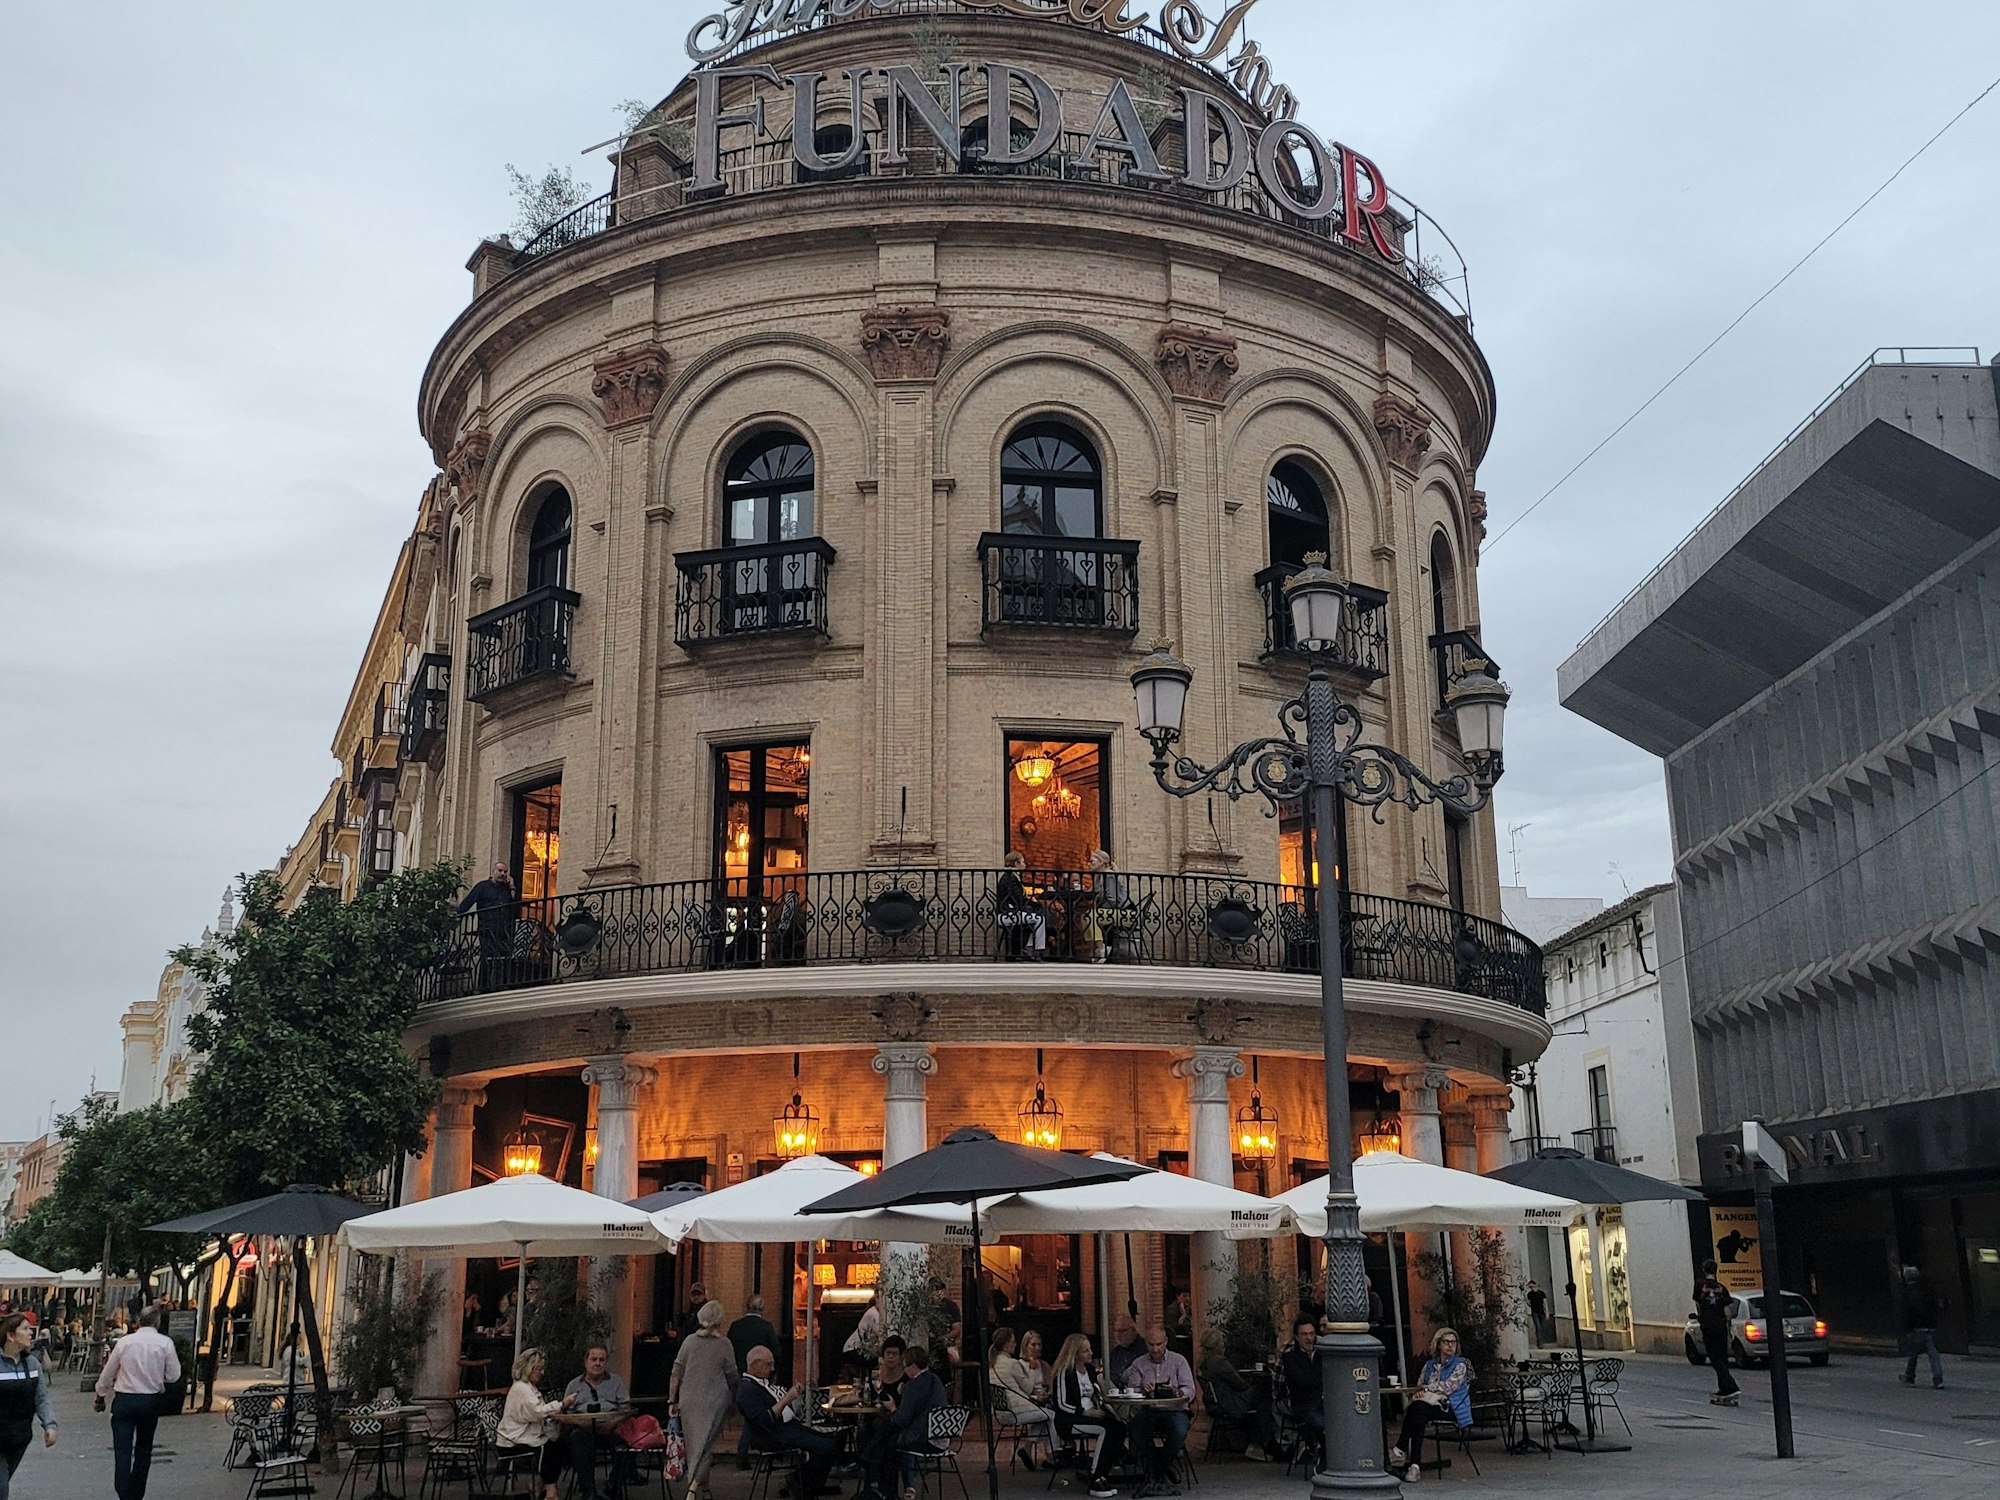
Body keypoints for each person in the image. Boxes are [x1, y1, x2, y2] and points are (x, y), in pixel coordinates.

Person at [93, 1307, 179, 1500]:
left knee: (122, 1451)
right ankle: (137, 1493)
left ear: (139, 1321)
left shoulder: (125, 1342)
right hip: (150, 1400)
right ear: (157, 1322)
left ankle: (124, 1493)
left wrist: (100, 1396)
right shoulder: (165, 1343)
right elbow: (174, 1376)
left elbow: (108, 1373)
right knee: (144, 1449)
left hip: (125, 1400)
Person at [737, 1345, 839, 1498]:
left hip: (787, 1428)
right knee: (828, 1447)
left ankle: (805, 1483)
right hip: (774, 1435)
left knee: (833, 1441)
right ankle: (802, 1483)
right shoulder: (747, 1390)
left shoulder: (760, 1383)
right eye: (768, 1364)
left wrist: (795, 1399)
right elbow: (765, 1419)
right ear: (755, 1364)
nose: (772, 1369)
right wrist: (787, 1398)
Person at [669, 1299, 740, 1500]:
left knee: (695, 1442)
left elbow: (676, 1372)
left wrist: (672, 1400)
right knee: (706, 1444)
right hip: (716, 1399)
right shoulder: (724, 1344)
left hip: (689, 1399)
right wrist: (734, 1397)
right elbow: (732, 1375)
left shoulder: (689, 1342)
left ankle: (704, 1488)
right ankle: (693, 1488)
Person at [1386, 1328, 1471, 1482]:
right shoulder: (1429, 1365)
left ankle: (1400, 1450)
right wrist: (1420, 1393)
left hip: (1452, 1408)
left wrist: (1425, 1390)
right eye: (1447, 1342)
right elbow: (1420, 1386)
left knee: (1417, 1409)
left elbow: (1448, 1387)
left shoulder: (1461, 1365)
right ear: (1438, 1344)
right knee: (1419, 1412)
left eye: (1453, 1342)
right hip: (1428, 1407)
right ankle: (1414, 1466)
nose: (1450, 1346)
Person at [866, 1345, 945, 1500]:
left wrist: (893, 1408)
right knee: (886, 1437)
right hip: (941, 1435)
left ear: (914, 1366)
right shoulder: (936, 1380)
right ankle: (884, 1480)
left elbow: (902, 1420)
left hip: (922, 1437)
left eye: (905, 1366)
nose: (904, 1369)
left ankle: (886, 1490)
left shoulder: (912, 1386)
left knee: (889, 1444)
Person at [1051, 1334, 1126, 1497]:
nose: (1090, 1353)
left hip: (1092, 1414)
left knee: (1119, 1428)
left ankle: (1104, 1472)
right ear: (1075, 1353)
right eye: (1085, 1351)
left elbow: (1095, 1395)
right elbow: (1060, 1403)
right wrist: (1084, 1412)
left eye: (1089, 1349)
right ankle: (1095, 1477)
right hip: (1071, 1419)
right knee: (1105, 1430)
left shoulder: (1090, 1370)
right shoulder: (1065, 1372)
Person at [1123, 1325, 1194, 1487]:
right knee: (1135, 1428)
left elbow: (1190, 1390)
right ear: (1146, 1344)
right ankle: (1164, 1467)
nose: (1155, 1349)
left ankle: (1156, 1469)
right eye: (1151, 1344)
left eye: (1159, 1344)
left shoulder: (1179, 1361)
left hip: (1174, 1410)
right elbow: (1131, 1390)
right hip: (1149, 1410)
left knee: (1179, 1430)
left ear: (1166, 1342)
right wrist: (1143, 1390)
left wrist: (1175, 1392)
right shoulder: (1138, 1364)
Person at [496, 1346, 569, 1500]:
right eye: (539, 1369)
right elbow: (537, 1412)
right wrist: (561, 1404)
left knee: (558, 1444)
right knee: (547, 1448)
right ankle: (550, 1491)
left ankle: (541, 1485)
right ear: (529, 1368)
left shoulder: (527, 1388)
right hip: (512, 1440)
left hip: (522, 1435)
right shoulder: (522, 1389)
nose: (541, 1373)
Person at [0, 1312, 58, 1500]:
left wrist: (50, 1424)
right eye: (25, 1329)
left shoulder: (32, 1364)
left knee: (4, 1480)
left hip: (19, 1438)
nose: (31, 1333)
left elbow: (41, 1398)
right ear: (10, 1335)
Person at [1195, 1328, 1274, 1462]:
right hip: (1230, 1404)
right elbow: (1240, 1385)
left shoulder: (1203, 1363)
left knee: (1259, 1403)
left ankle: (1257, 1441)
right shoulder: (1220, 1362)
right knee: (1264, 1393)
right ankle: (1260, 1443)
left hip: (1218, 1403)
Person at [563, 1342, 630, 1498]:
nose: (597, 1363)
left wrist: (612, 1423)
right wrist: (582, 1423)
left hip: (611, 1428)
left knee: (625, 1441)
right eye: (593, 1359)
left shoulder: (616, 1382)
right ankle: (588, 1491)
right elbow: (567, 1414)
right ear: (585, 1362)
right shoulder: (574, 1385)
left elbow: (625, 1408)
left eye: (601, 1360)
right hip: (584, 1429)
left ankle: (614, 1485)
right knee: (577, 1438)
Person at [989, 1327, 1056, 1466]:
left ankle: (1028, 1447)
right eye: (1013, 1342)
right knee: (1051, 1415)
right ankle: (1052, 1454)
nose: (1015, 1344)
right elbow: (1028, 1387)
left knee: (1043, 1416)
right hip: (1015, 1411)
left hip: (1001, 1411)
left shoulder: (992, 1363)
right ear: (1006, 1344)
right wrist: (1031, 1368)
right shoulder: (1012, 1363)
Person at [1692, 1261, 1739, 1407]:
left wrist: (1702, 1318)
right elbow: (1727, 1312)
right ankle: (1724, 1388)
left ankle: (1731, 1387)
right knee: (1722, 1357)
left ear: (1704, 1270)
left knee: (1714, 1357)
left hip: (1709, 1326)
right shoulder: (1722, 1288)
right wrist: (1729, 1327)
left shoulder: (1700, 1286)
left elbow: (1698, 1305)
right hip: (1721, 1327)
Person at [458, 861, 518, 965]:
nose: (503, 874)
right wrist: (456, 912)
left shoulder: (505, 888)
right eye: (500, 870)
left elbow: (512, 905)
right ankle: (484, 981)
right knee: (488, 959)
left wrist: (512, 887)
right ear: (493, 871)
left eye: (505, 872)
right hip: (487, 929)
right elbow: (468, 902)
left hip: (504, 930)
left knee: (503, 960)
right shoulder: (482, 886)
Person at [1899, 1264, 1945, 1389]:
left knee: (1914, 1353)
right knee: (1933, 1353)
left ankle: (1909, 1377)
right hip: (1929, 1326)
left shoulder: (1907, 1293)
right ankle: (1938, 1378)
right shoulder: (1927, 1290)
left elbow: (1907, 1312)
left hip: (1916, 1327)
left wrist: (1907, 1329)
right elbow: (1935, 1305)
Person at [1279, 1318, 1324, 1445]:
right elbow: (1303, 1382)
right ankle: (1322, 1455)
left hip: (1324, 1403)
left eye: (1311, 1333)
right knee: (1323, 1425)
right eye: (1304, 1334)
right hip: (1304, 1406)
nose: (1309, 1338)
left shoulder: (1321, 1354)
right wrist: (1319, 1378)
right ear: (1297, 1337)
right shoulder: (1290, 1357)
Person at [997, 852, 1049, 959]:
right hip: (1008, 914)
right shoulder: (1010, 878)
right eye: (1023, 862)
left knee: (1038, 918)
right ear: (1016, 864)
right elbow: (1018, 899)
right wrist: (1034, 904)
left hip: (1011, 912)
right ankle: (1036, 949)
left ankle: (1029, 947)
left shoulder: (1010, 877)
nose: (1025, 865)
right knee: (1040, 919)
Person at [728, 1295, 780, 1375]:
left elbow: (729, 1349)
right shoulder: (766, 1327)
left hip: (738, 1371)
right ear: (762, 1309)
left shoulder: (735, 1326)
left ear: (747, 1307)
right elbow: (775, 1352)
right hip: (758, 1372)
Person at [842, 1291, 883, 1375]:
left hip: (862, 1349)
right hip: (853, 1350)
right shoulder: (873, 1313)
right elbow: (881, 1333)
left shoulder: (877, 1313)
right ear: (877, 1299)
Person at [1106, 1313, 1146, 1389]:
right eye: (1116, 1331)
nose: (1118, 1334)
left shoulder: (1144, 1348)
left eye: (1123, 1331)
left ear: (1134, 1330)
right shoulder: (1115, 1353)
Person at [874, 1336, 908, 1403]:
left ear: (901, 1357)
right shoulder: (876, 1375)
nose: (890, 1357)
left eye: (894, 1354)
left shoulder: (907, 1377)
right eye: (888, 1353)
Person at [1525, 1281, 1549, 1346]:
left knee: (1541, 1327)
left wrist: (1547, 1312)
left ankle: (1540, 1340)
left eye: (1532, 1286)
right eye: (1530, 1287)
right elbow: (1529, 1303)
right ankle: (1539, 1342)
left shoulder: (1541, 1293)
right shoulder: (1530, 1294)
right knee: (1538, 1326)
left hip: (1541, 1312)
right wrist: (1527, 1301)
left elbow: (1545, 1303)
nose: (1532, 1288)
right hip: (1534, 1312)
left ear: (1535, 1285)